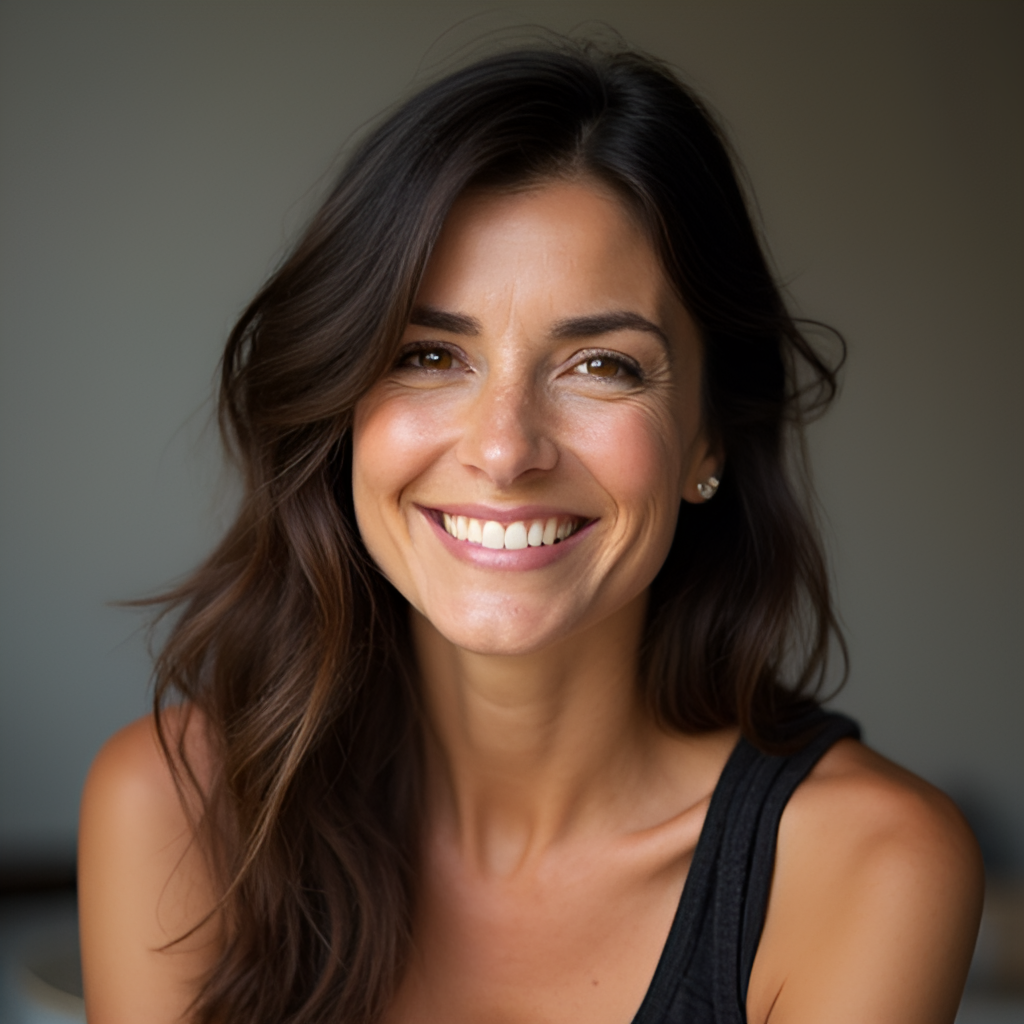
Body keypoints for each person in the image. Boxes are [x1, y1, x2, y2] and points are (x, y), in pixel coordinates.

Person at [77, 42, 983, 1024]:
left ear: (708, 436)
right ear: (340, 407)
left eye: (601, 366)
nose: (505, 449)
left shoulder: (869, 866)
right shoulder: (172, 809)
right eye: (428, 354)